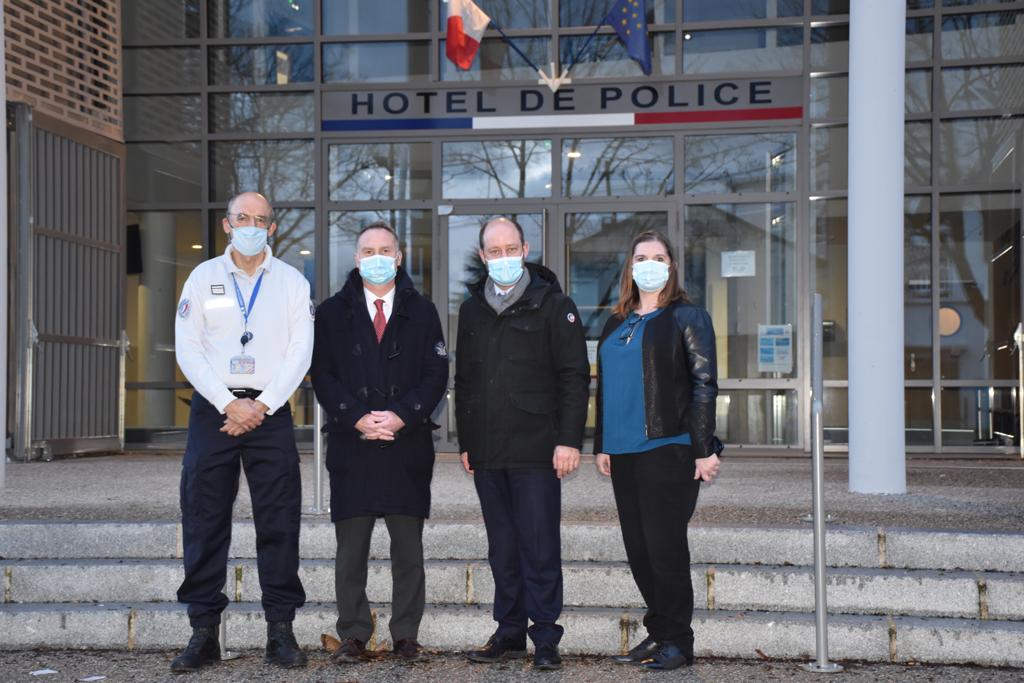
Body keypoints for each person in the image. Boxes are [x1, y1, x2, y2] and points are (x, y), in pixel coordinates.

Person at [172, 192, 313, 673]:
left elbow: (300, 352)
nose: (251, 225)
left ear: (271, 228)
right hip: (216, 409)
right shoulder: (202, 277)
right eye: (242, 218)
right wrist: (228, 403)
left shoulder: (292, 282)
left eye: (261, 219)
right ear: (227, 225)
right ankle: (203, 632)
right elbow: (188, 348)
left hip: (269, 410)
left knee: (278, 520)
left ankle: (280, 631)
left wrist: (262, 405)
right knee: (204, 518)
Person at [454, 217, 590, 671]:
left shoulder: (554, 305)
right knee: (503, 546)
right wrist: (467, 441)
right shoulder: (472, 310)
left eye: (511, 247)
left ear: (525, 248)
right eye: (495, 250)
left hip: (537, 447)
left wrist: (569, 439)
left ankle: (546, 636)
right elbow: (466, 379)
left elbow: (574, 377)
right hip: (488, 448)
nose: (504, 257)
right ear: (483, 256)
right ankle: (509, 631)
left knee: (538, 543)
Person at [310, 222, 448, 664]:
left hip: (406, 447)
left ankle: (406, 634)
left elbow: (435, 374)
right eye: (367, 250)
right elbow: (323, 375)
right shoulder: (332, 312)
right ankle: (353, 633)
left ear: (399, 256)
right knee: (351, 550)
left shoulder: (422, 311)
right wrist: (357, 418)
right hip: (353, 446)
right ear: (355, 258)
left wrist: (402, 415)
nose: (376, 256)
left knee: (408, 549)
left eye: (385, 249)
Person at [593, 230, 723, 671]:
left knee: (665, 548)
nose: (650, 263)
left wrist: (704, 448)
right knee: (639, 548)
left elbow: (705, 385)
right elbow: (606, 387)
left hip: (669, 447)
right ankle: (659, 631)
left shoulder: (688, 317)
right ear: (630, 266)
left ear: (671, 265)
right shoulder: (616, 322)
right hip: (623, 451)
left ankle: (678, 642)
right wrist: (602, 444)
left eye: (659, 256)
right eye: (641, 257)